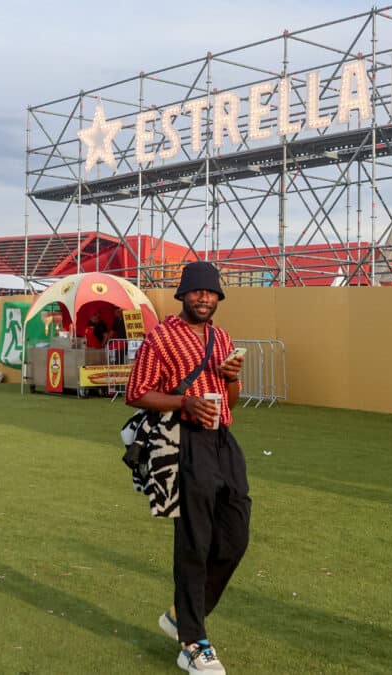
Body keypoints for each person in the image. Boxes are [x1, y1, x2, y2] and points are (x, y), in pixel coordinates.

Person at [126, 261, 247, 675]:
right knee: (194, 541)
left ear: (218, 298)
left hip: (223, 440)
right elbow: (136, 392)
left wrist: (231, 377)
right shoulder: (161, 338)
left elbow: (230, 401)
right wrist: (185, 402)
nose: (204, 298)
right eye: (196, 292)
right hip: (184, 442)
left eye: (211, 293)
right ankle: (193, 643)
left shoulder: (222, 338)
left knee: (235, 536)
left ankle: (181, 615)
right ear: (183, 295)